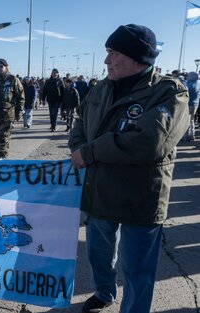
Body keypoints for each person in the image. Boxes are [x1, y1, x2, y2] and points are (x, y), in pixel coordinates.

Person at [69, 24, 189, 313]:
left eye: (113, 53)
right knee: (98, 254)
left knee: (137, 269)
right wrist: (77, 146)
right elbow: (80, 121)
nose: (107, 60)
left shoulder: (170, 93)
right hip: (100, 192)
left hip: (141, 197)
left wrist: (89, 152)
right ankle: (104, 292)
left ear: (138, 58)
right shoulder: (101, 88)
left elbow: (150, 142)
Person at [184, 71, 200, 141]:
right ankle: (192, 134)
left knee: (187, 121)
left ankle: (187, 135)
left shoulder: (189, 84)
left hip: (189, 104)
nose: (187, 77)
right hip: (196, 104)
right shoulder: (198, 83)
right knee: (192, 120)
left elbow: (185, 92)